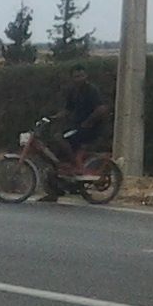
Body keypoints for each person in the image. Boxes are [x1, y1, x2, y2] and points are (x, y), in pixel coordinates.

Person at [41, 64, 110, 202]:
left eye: (81, 76)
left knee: (60, 138)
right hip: (77, 127)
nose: (79, 79)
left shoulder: (92, 90)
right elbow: (67, 110)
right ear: (72, 78)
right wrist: (53, 118)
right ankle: (55, 191)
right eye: (76, 76)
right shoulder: (73, 92)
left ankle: (76, 166)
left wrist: (89, 121)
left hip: (90, 129)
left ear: (86, 76)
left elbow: (102, 108)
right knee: (56, 155)